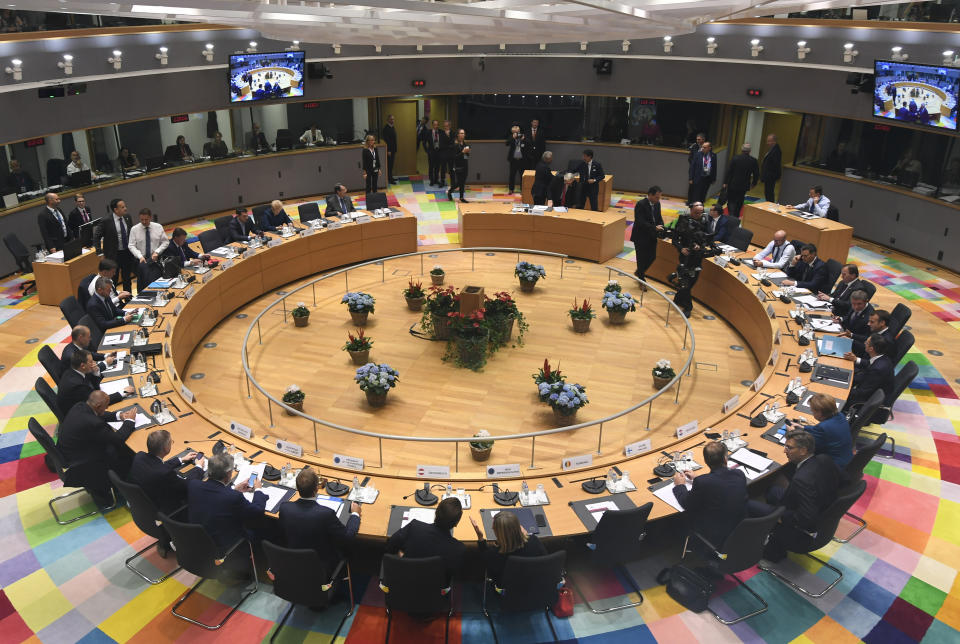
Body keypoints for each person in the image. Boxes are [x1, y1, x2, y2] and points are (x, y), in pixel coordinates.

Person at [747, 430, 840, 562]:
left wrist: (780, 518)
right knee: (772, 490)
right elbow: (843, 481)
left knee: (746, 502)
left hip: (799, 525)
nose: (785, 451)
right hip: (814, 506)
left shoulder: (802, 479)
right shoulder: (824, 459)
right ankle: (773, 537)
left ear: (803, 451)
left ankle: (764, 538)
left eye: (789, 448)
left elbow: (805, 518)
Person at [128, 429, 205, 557]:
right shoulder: (164, 475)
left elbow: (157, 466)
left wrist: (180, 460)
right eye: (171, 442)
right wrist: (198, 468)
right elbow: (186, 486)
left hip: (144, 510)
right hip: (168, 512)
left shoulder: (139, 456)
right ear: (165, 448)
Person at [58, 391, 137, 510]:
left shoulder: (80, 406)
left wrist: (119, 416)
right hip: (84, 464)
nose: (108, 408)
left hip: (71, 452)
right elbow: (117, 439)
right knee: (127, 453)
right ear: (99, 406)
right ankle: (130, 490)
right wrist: (129, 422)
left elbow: (98, 415)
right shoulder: (93, 423)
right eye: (106, 405)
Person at [187, 453, 267, 556]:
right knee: (264, 527)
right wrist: (258, 489)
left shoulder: (194, 485)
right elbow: (258, 511)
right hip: (226, 547)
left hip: (201, 540)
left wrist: (234, 489)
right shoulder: (233, 497)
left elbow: (215, 498)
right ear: (229, 473)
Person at [671, 441, 748, 549]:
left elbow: (686, 503)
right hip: (738, 526)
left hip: (714, 533)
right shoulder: (739, 474)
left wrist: (680, 486)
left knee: (679, 519)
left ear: (706, 461)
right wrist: (698, 479)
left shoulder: (703, 482)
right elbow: (720, 485)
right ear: (725, 458)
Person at [278, 467, 361, 560]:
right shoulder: (326, 514)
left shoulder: (285, 508)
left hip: (292, 560)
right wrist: (355, 514)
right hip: (320, 565)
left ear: (297, 487)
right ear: (317, 488)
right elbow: (348, 537)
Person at [385, 497, 466, 582]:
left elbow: (390, 546)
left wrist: (402, 558)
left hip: (404, 581)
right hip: (433, 590)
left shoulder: (414, 527)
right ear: (457, 522)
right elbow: (451, 573)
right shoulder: (459, 549)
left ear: (436, 512)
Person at [469, 511, 546, 587]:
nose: (492, 528)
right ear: (519, 526)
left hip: (509, 594)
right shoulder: (534, 541)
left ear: (499, 534)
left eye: (494, 528)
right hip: (536, 587)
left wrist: (480, 537)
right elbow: (544, 560)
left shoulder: (494, 555)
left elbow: (485, 559)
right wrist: (523, 535)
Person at [786, 394, 852, 469]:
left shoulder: (824, 427)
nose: (812, 413)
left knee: (795, 455)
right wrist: (803, 427)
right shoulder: (840, 415)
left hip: (833, 466)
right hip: (846, 458)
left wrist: (793, 434)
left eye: (813, 411)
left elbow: (808, 448)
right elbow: (818, 430)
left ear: (819, 413)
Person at [57, 348, 133, 412]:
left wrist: (96, 371)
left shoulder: (74, 370)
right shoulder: (77, 385)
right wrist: (123, 392)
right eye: (91, 362)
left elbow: (94, 386)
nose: (94, 363)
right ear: (82, 365)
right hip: (77, 415)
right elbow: (97, 402)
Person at [842, 333, 895, 414]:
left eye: (866, 343)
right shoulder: (883, 358)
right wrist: (855, 359)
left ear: (871, 349)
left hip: (864, 403)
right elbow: (870, 364)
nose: (864, 343)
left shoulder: (877, 370)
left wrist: (841, 389)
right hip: (867, 389)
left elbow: (863, 393)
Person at [93, 198, 136, 294]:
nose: (125, 208)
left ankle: (128, 298)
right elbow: (96, 237)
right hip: (113, 255)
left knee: (127, 278)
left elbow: (131, 234)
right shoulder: (106, 221)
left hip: (127, 253)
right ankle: (114, 299)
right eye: (122, 207)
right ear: (115, 209)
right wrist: (100, 253)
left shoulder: (127, 217)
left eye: (125, 206)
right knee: (113, 279)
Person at [631, 185, 664, 291]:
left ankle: (639, 272)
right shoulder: (641, 204)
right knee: (641, 259)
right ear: (650, 195)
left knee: (652, 257)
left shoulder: (657, 204)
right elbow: (640, 221)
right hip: (640, 236)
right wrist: (654, 227)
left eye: (659, 198)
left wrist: (662, 226)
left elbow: (658, 217)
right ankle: (641, 279)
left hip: (652, 235)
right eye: (656, 197)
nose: (658, 200)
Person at [723, 143, 759, 218]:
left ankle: (731, 214)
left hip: (733, 183)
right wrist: (754, 183)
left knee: (731, 200)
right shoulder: (753, 161)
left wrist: (725, 182)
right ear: (750, 151)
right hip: (744, 185)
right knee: (740, 200)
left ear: (742, 150)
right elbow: (756, 174)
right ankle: (736, 215)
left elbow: (729, 171)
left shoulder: (735, 158)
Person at [447, 129, 469, 203]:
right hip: (458, 165)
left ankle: (461, 197)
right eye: (461, 133)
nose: (463, 135)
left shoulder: (465, 144)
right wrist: (463, 152)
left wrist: (467, 152)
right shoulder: (455, 145)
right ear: (458, 135)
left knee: (463, 182)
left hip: (465, 165)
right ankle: (450, 191)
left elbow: (467, 156)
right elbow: (454, 157)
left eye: (463, 133)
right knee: (459, 182)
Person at [505, 125, 528, 194]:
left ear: (519, 131)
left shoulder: (523, 136)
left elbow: (529, 144)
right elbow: (507, 143)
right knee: (512, 175)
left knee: (522, 176)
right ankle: (511, 189)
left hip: (522, 159)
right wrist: (512, 137)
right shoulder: (511, 137)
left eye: (517, 132)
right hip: (513, 159)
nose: (516, 133)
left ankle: (522, 189)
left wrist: (524, 139)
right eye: (514, 132)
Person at [760, 134, 782, 203]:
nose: (767, 143)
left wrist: (768, 175)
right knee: (768, 191)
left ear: (774, 141)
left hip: (770, 176)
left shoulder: (776, 151)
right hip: (769, 175)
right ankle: (769, 204)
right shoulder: (773, 149)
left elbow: (775, 165)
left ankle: (770, 205)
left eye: (769, 141)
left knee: (769, 192)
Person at [686, 132, 705, 204]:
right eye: (697, 139)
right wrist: (694, 165)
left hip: (702, 171)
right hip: (693, 170)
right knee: (691, 186)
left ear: (703, 139)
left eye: (699, 139)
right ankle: (690, 201)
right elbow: (690, 158)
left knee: (700, 187)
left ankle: (698, 201)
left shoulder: (706, 147)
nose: (697, 141)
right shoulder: (694, 146)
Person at [382, 114, 398, 184]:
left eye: (393, 119)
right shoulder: (386, 128)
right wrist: (388, 150)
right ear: (388, 120)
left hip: (393, 149)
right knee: (389, 165)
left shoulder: (392, 127)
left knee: (391, 165)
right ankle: (389, 179)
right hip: (389, 150)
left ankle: (391, 177)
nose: (393, 120)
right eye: (391, 119)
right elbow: (387, 140)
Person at [439, 120, 455, 188]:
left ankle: (453, 183)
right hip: (443, 154)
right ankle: (442, 182)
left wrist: (448, 146)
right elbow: (441, 144)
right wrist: (449, 146)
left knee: (451, 169)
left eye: (447, 126)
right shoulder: (441, 133)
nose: (445, 127)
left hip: (451, 154)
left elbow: (453, 144)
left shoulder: (453, 133)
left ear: (450, 126)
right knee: (443, 169)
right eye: (444, 126)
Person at [427, 119, 443, 187]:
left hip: (439, 152)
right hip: (431, 152)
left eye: (437, 124)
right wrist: (427, 150)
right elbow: (424, 142)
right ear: (432, 125)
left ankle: (436, 180)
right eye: (434, 124)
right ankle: (431, 180)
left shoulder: (441, 132)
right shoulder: (428, 132)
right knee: (431, 166)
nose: (436, 126)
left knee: (437, 166)